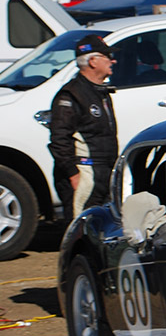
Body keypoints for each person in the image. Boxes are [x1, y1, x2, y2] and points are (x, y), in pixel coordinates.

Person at [48, 34, 119, 222]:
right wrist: (73, 174)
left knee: (105, 227)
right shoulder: (71, 94)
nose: (113, 61)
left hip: (104, 172)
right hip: (85, 173)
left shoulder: (101, 92)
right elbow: (59, 140)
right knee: (81, 228)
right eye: (108, 56)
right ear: (93, 61)